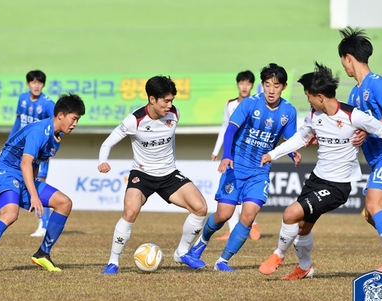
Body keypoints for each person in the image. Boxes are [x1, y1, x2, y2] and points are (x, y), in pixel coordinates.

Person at [258, 63, 382, 280]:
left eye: (308, 96)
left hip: (337, 187)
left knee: (290, 214)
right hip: (317, 179)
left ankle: (278, 255)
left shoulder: (353, 116)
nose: (307, 100)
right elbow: (301, 137)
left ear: (319, 96)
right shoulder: (314, 114)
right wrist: (273, 154)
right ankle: (305, 267)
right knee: (302, 227)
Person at [185, 63, 300, 272]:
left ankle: (223, 261)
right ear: (262, 85)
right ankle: (200, 244)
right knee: (223, 215)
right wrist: (227, 156)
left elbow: (290, 139)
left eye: (276, 85)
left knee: (248, 216)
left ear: (283, 86)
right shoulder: (249, 104)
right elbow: (230, 131)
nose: (271, 90)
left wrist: (293, 153)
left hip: (260, 172)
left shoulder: (288, 111)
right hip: (236, 167)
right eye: (267, 85)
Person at [99, 75, 208, 275]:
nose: (170, 105)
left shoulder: (174, 114)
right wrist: (102, 161)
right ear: (152, 99)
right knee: (130, 212)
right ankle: (113, 262)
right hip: (142, 175)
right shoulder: (134, 120)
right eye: (165, 101)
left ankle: (182, 252)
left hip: (169, 174)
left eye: (172, 100)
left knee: (200, 208)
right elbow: (107, 143)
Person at [0, 93, 86, 272]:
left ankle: (43, 254)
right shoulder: (40, 130)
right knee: (11, 214)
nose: (75, 124)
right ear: (60, 115)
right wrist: (34, 195)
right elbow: (25, 163)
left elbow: (34, 165)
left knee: (64, 203)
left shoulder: (56, 139)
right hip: (4, 172)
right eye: (74, 118)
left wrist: (32, 189)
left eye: (78, 120)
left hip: (24, 175)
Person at [338, 27, 382, 272]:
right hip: (379, 160)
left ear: (348, 58)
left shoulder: (376, 83)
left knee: (373, 204)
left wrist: (369, 130)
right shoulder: (355, 93)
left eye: (343, 61)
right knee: (370, 213)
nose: (344, 66)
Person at [211, 70, 261, 242]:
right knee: (230, 191)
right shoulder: (230, 104)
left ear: (252, 86)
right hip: (232, 154)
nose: (244, 86)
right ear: (237, 85)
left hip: (251, 154)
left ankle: (253, 224)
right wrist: (217, 151)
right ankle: (232, 230)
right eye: (241, 83)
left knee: (250, 189)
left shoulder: (257, 103)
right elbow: (225, 128)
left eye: (248, 83)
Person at [9, 70, 56, 237]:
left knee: (38, 184)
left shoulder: (48, 104)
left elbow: (57, 126)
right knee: (25, 183)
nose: (36, 85)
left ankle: (44, 225)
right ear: (28, 83)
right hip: (24, 149)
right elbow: (18, 122)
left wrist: (51, 147)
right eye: (33, 82)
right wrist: (10, 142)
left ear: (43, 85)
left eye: (40, 83)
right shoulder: (22, 99)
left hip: (40, 151)